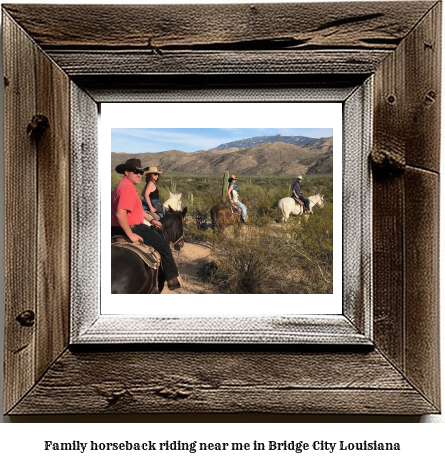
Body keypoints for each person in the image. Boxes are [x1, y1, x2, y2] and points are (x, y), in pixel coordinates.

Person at [111, 158, 183, 290]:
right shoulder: (127, 188)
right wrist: (130, 234)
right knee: (164, 246)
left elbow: (137, 209)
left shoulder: (124, 185)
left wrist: (151, 220)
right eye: (135, 172)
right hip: (134, 228)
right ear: (126, 172)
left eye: (140, 172)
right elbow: (120, 214)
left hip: (115, 228)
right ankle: (172, 279)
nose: (139, 175)